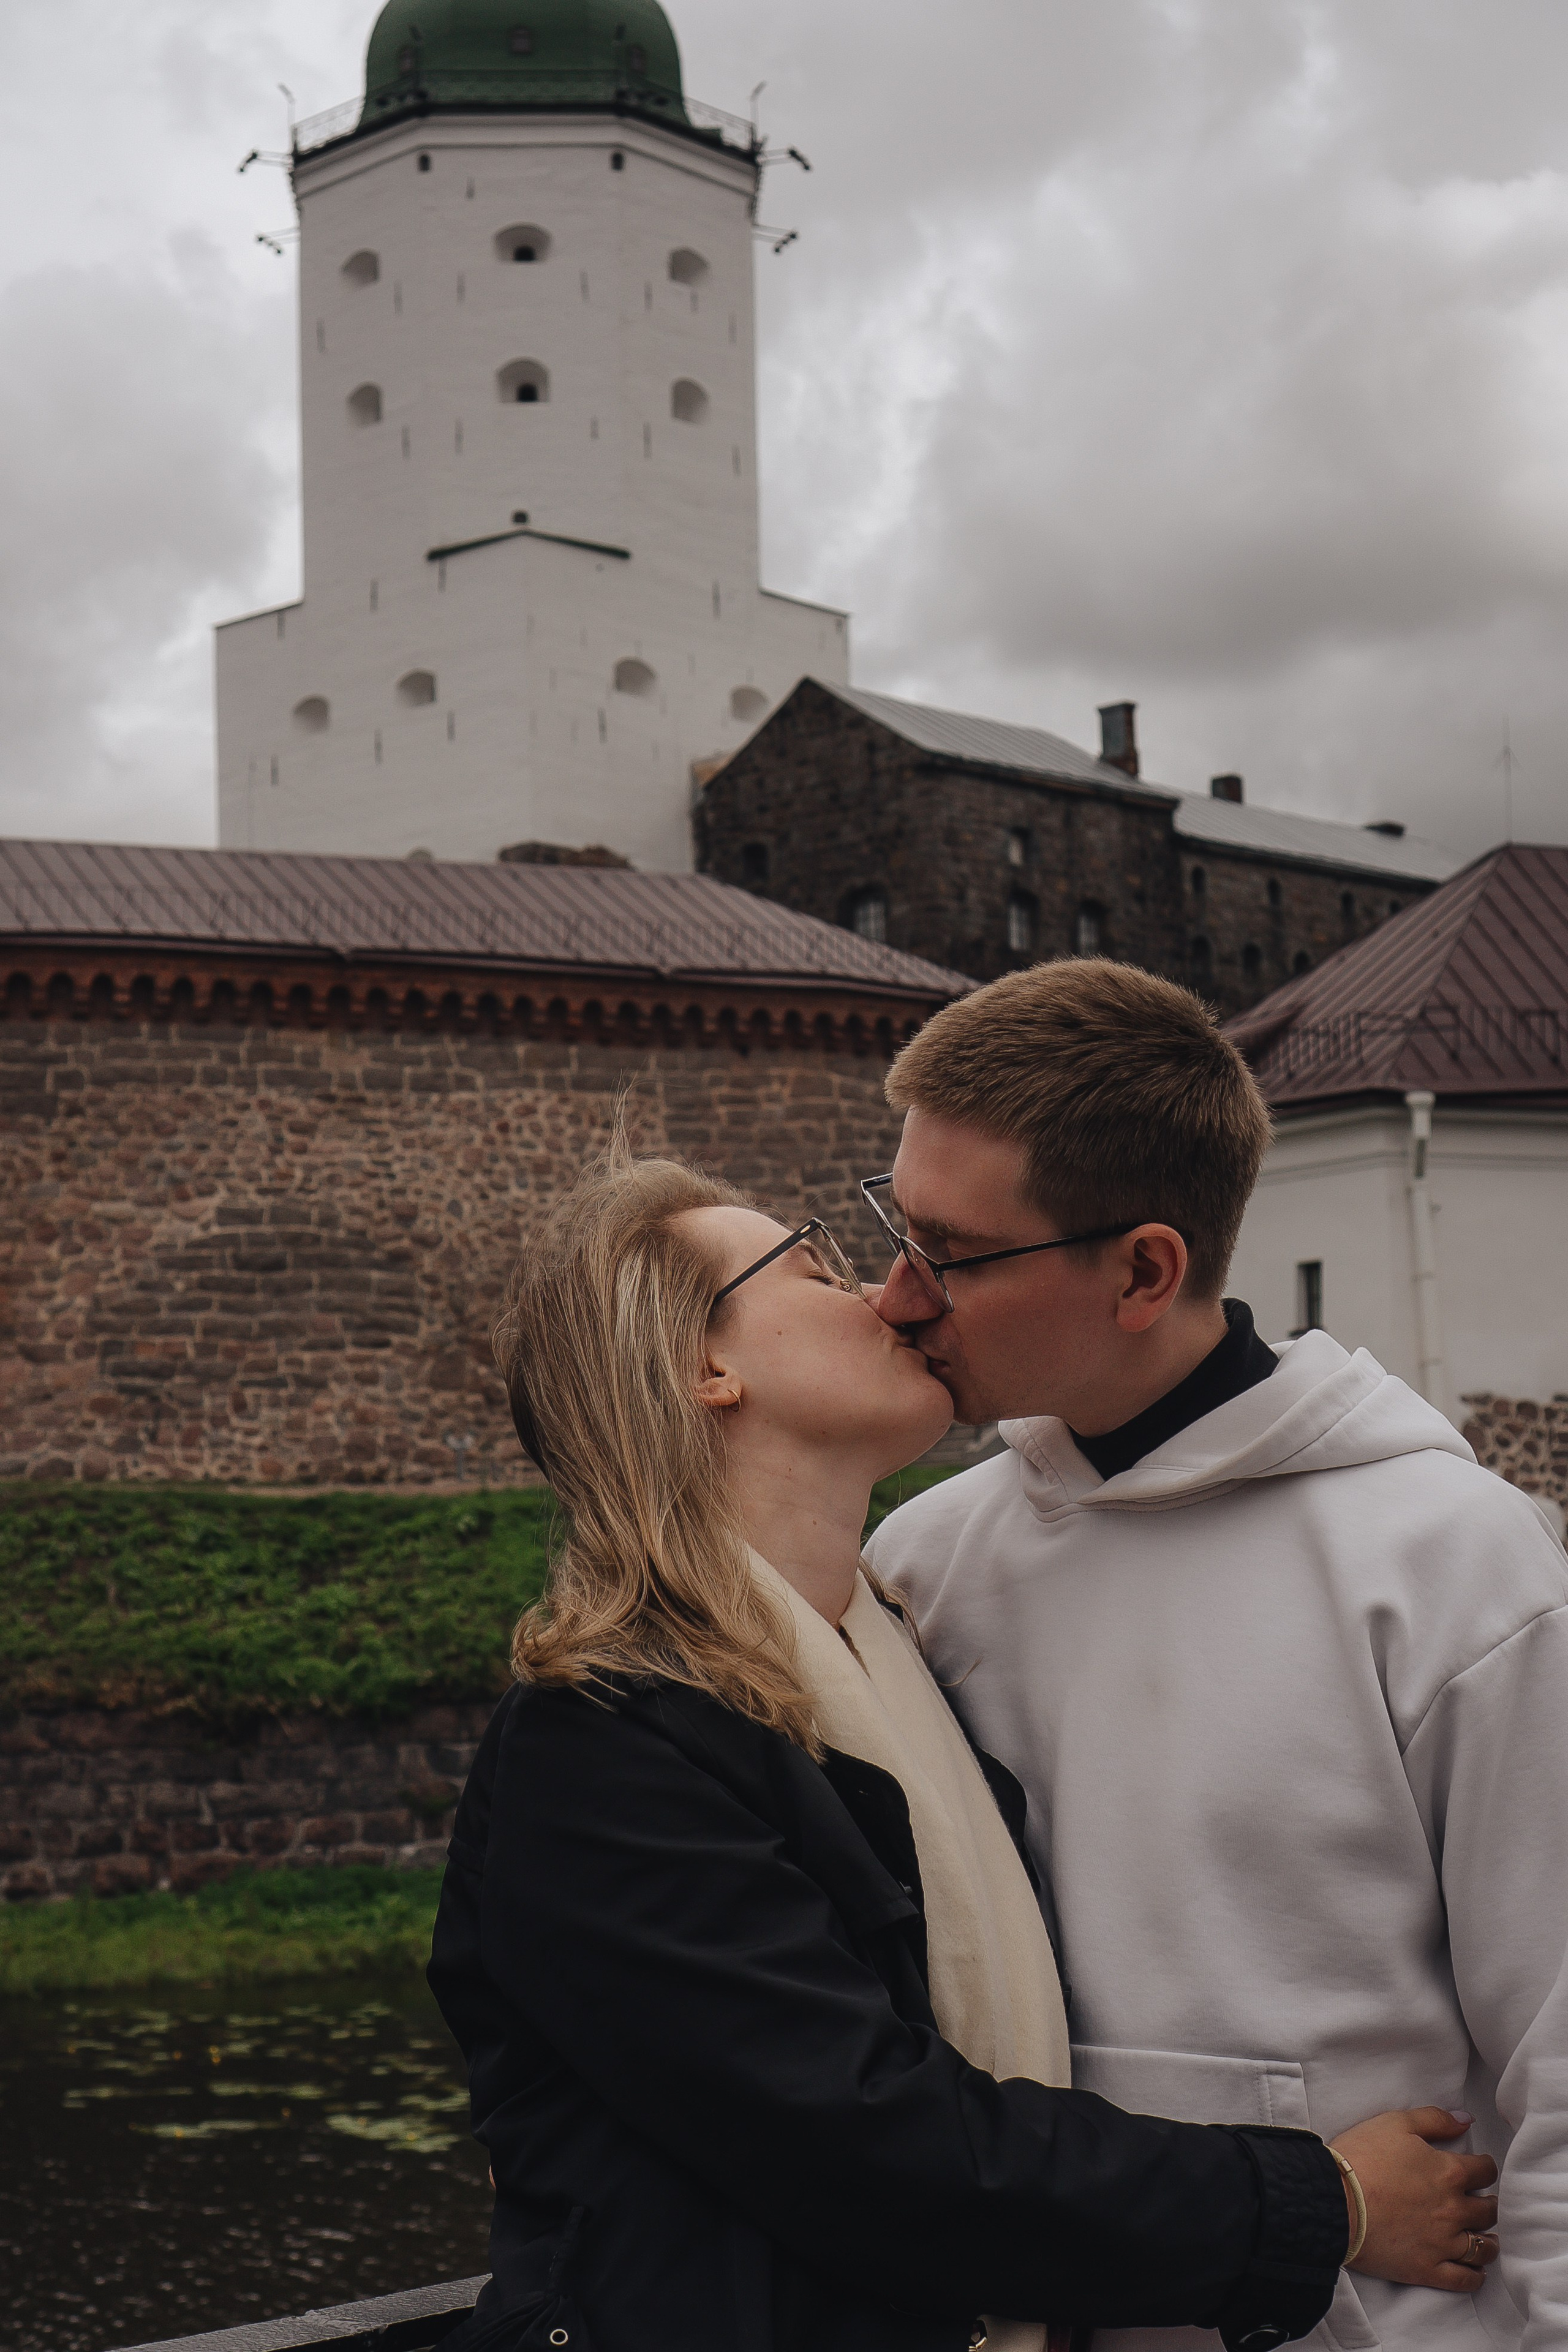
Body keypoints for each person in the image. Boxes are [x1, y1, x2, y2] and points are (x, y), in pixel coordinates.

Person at [428, 1142, 1495, 2352]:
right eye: (811, 1265)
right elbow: (877, 2149)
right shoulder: (600, 1743)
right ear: (703, 1367)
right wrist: (1321, 2203)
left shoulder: (901, 1652)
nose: (890, 1292)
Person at [862, 954, 1565, 2352]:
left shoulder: (1453, 1564)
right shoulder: (921, 1568)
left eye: (947, 1253)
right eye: (892, 1224)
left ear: (1141, 1270)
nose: (893, 1295)